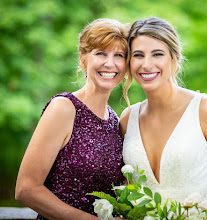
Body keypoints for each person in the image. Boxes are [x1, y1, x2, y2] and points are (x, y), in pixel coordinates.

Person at [120, 17, 207, 205]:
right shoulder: (127, 118)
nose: (146, 64)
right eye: (138, 55)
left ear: (174, 57)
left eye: (157, 54)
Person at [15, 18, 129, 220]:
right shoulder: (64, 108)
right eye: (100, 53)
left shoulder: (115, 121)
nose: (109, 63)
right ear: (83, 60)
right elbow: (26, 189)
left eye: (118, 55)